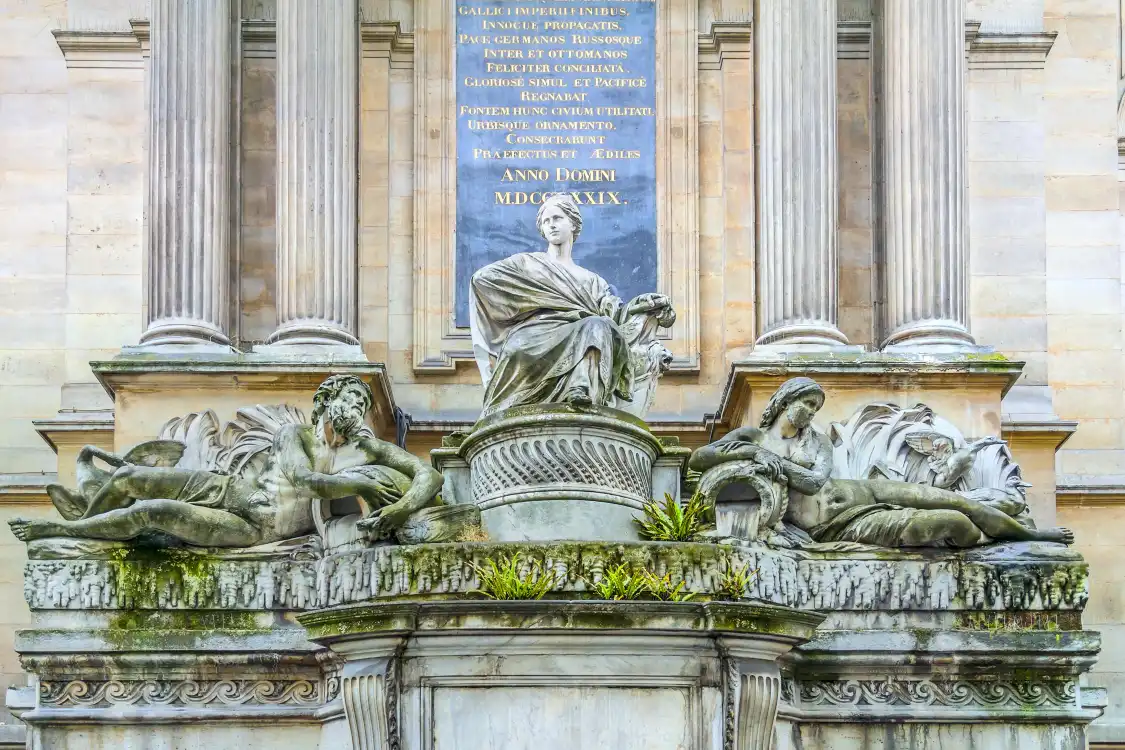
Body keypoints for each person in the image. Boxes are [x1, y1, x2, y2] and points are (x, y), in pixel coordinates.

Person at [9, 376, 448, 547]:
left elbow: (428, 476)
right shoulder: (295, 434)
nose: (355, 408)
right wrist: (364, 486)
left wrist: (397, 508)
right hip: (235, 490)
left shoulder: (369, 450)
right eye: (349, 398)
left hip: (256, 526)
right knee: (129, 476)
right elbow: (301, 478)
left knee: (153, 512)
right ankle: (88, 518)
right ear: (325, 402)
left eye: (361, 403)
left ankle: (60, 530)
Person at [688, 377, 1073, 548]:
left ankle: (1029, 536)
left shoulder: (817, 441)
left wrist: (777, 465)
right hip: (838, 524)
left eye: (816, 407)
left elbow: (814, 480)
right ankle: (987, 539)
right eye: (806, 403)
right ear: (784, 402)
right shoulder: (753, 438)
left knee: (955, 500)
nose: (810, 412)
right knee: (952, 521)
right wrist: (752, 453)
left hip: (863, 491)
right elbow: (699, 459)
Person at [469, 193, 675, 419]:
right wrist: (534, 299)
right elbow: (482, 279)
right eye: (546, 221)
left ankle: (580, 388)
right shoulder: (527, 264)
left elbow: (615, 314)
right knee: (591, 327)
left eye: (557, 218)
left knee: (599, 325)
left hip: (586, 330)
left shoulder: (592, 280)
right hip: (535, 333)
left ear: (573, 224)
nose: (551, 225)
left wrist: (644, 305)